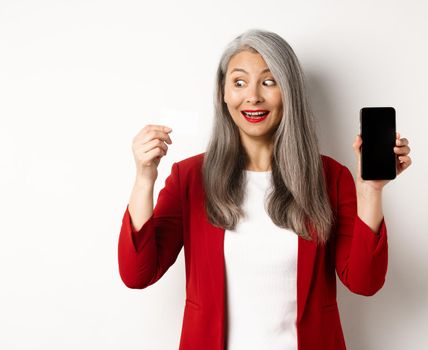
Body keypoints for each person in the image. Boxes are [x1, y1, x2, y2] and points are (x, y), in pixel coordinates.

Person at [118, 29, 412, 350]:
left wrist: (371, 190)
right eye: (239, 82)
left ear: (289, 92)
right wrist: (145, 177)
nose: (253, 96)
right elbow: (138, 274)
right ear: (223, 93)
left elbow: (364, 282)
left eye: (269, 82)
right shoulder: (190, 177)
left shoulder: (329, 177)